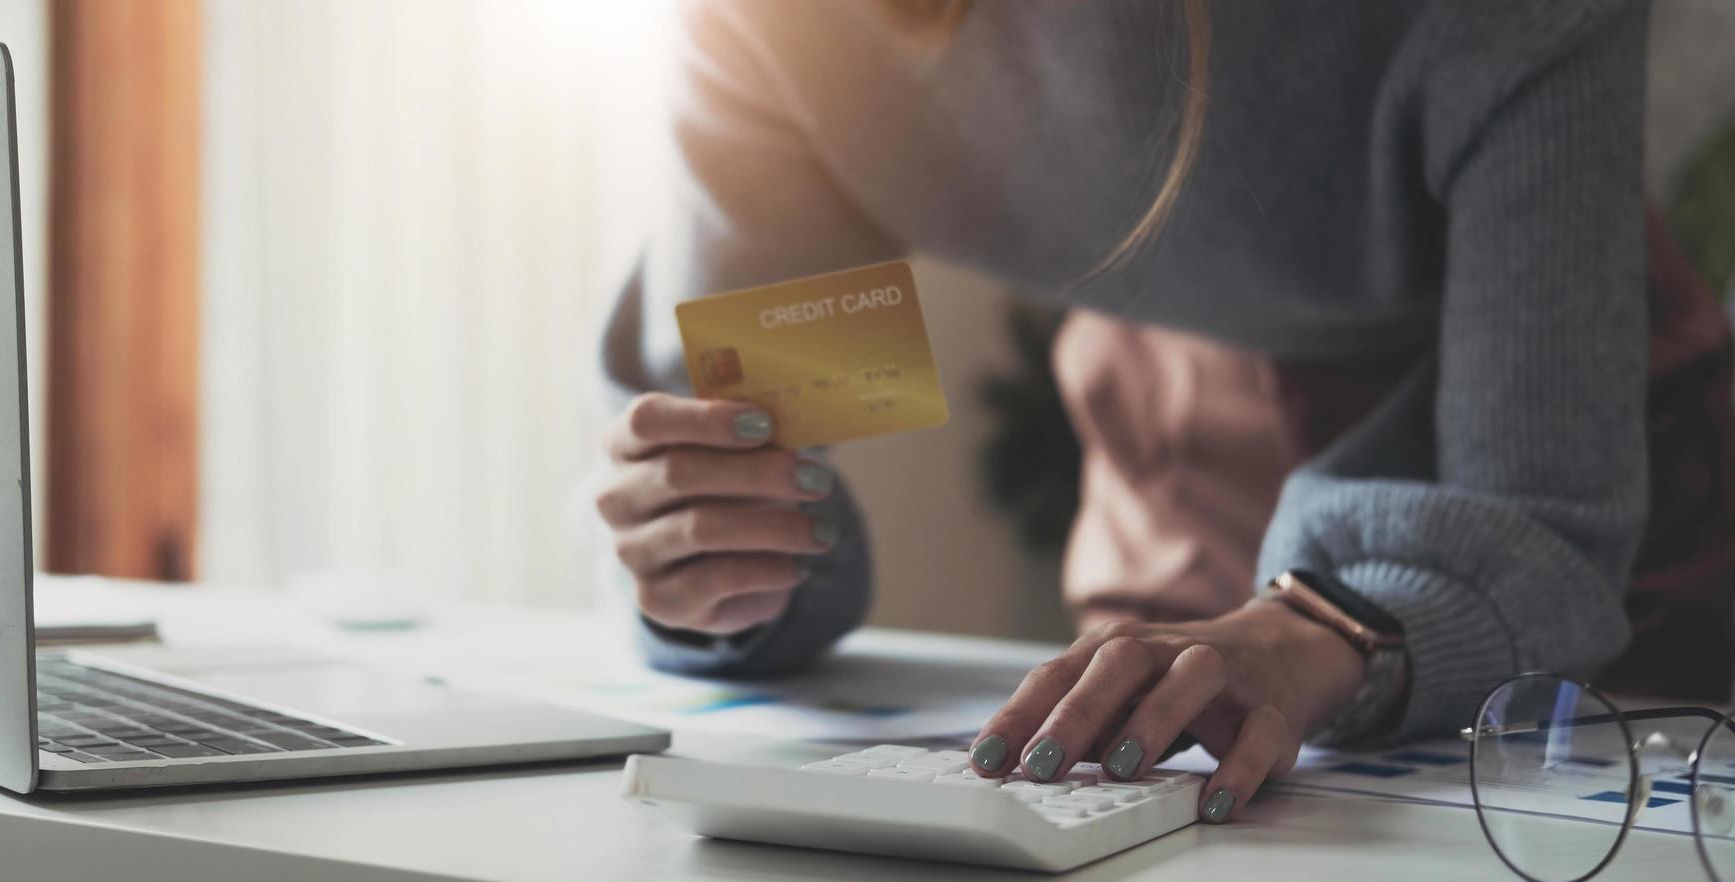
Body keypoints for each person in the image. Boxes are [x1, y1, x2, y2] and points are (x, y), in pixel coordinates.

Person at [595, 0, 1735, 824]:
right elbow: (774, 496)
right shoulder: (775, 27)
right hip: (1180, 501)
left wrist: (1327, 629)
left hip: (1595, 529)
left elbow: (1540, 510)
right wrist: (730, 563)